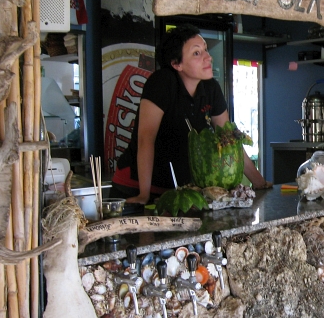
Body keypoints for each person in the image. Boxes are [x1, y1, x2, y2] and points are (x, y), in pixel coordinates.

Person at [113, 24, 271, 203]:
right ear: (176, 64)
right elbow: (145, 139)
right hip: (135, 187)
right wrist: (144, 194)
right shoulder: (162, 83)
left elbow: (229, 141)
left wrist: (259, 182)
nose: (208, 57)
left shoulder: (211, 88)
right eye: (197, 53)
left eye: (205, 49)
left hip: (180, 191)